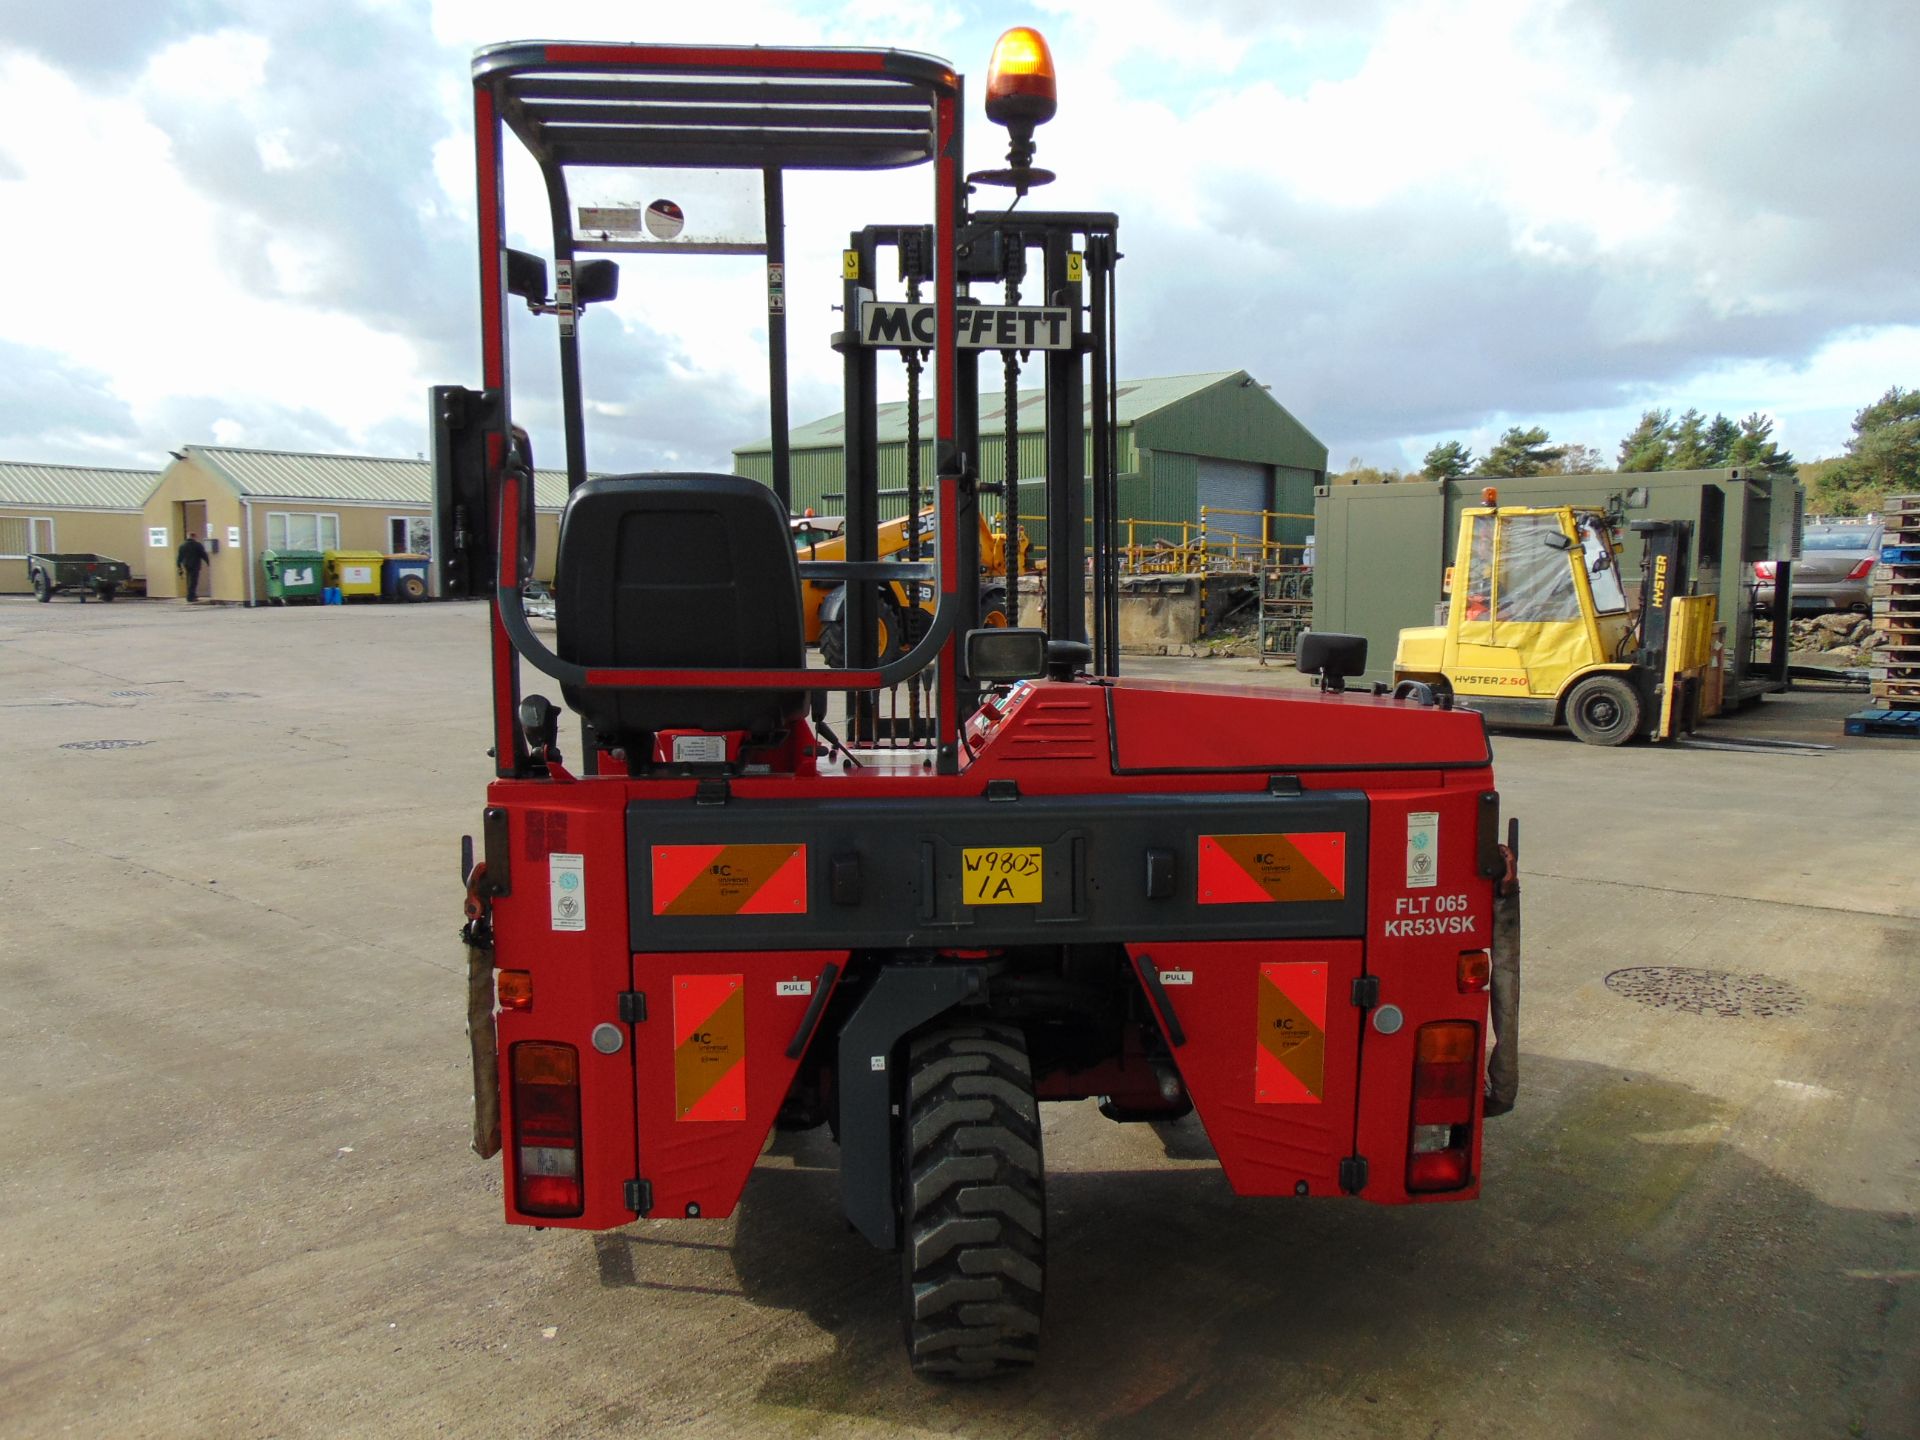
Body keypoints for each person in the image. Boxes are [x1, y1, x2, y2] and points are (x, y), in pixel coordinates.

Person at [176, 532, 210, 602]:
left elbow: (179, 557)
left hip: (186, 565)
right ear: (194, 537)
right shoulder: (197, 545)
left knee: (189, 580)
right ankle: (191, 596)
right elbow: (203, 554)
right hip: (195, 565)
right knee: (193, 581)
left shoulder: (182, 545)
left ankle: (191, 595)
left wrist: (179, 565)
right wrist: (208, 562)